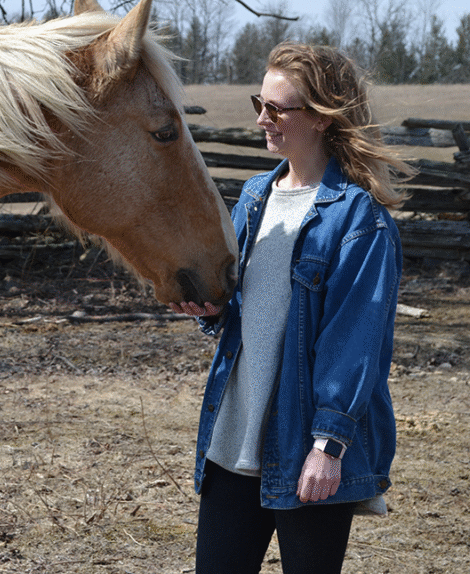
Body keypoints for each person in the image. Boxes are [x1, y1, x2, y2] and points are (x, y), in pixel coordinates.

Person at [170, 42, 415, 574]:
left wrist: (328, 447)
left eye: (278, 108)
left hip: (305, 445)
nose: (262, 117)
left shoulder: (360, 221)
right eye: (261, 101)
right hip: (233, 437)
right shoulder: (255, 197)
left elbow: (355, 345)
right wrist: (210, 311)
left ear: (322, 119)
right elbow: (242, 315)